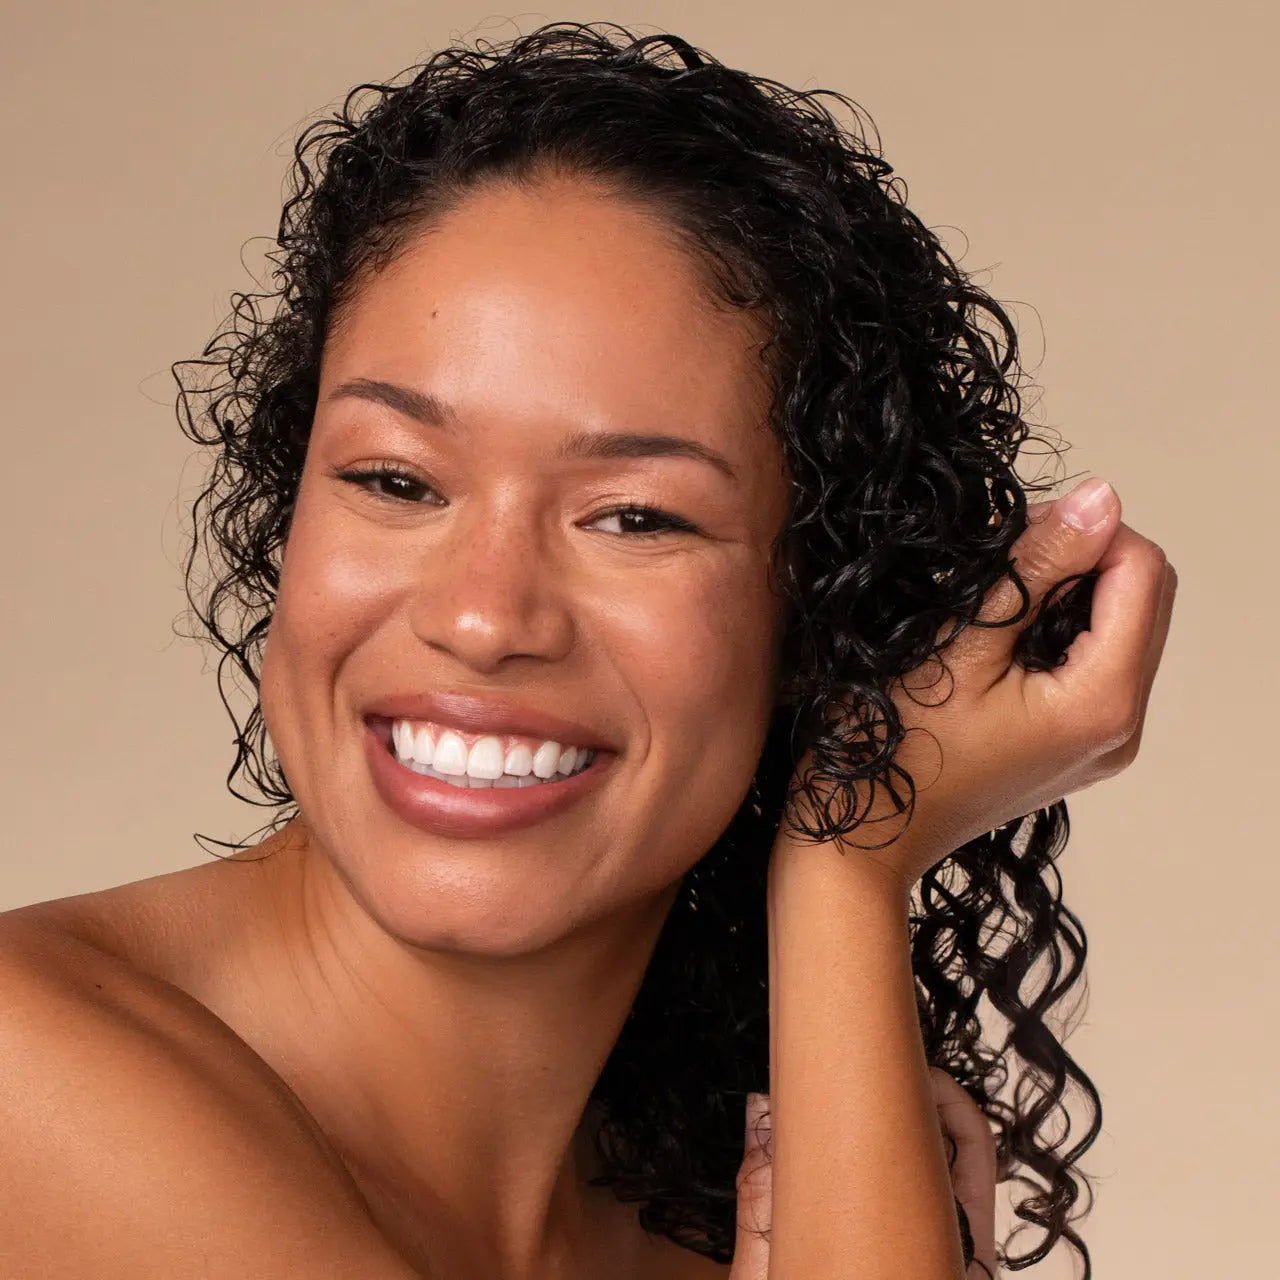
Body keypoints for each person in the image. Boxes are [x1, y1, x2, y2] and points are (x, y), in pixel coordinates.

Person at [0, 22, 1175, 1280]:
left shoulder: (714, 1234)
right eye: (395, 479)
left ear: (819, 605)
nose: (483, 616)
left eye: (635, 515)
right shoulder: (33, 1081)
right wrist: (849, 859)